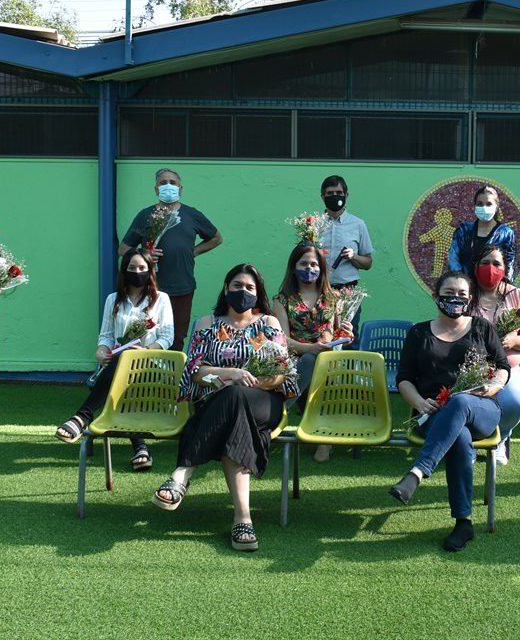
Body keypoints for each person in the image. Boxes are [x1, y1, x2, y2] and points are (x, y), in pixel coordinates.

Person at [151, 264, 297, 552]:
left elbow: (284, 375)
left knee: (237, 397)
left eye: (249, 288)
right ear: (226, 289)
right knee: (234, 412)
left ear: (258, 293)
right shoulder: (208, 322)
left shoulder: (269, 323)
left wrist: (250, 382)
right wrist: (231, 375)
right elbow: (194, 370)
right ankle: (243, 518)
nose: (243, 292)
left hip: (263, 400)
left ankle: (183, 473)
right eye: (237, 286)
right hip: (218, 401)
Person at [390, 271, 511, 552]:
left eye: (462, 295)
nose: (455, 299)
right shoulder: (418, 333)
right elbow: (404, 379)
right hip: (432, 414)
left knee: (459, 403)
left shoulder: (482, 328)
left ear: (470, 299)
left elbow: (503, 367)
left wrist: (493, 386)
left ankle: (417, 473)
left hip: (482, 409)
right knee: (458, 438)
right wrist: (419, 403)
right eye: (449, 293)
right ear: (435, 296)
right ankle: (463, 523)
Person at [54, 249, 174, 471]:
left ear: (150, 272)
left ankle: (82, 417)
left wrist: (145, 351)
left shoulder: (161, 300)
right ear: (124, 271)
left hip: (152, 364)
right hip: (119, 366)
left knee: (126, 363)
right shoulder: (113, 300)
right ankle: (140, 447)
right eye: (132, 268)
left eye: (142, 268)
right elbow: (106, 336)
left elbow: (167, 337)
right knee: (122, 365)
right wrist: (101, 352)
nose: (137, 272)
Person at [119, 168, 222, 351]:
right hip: (149, 288)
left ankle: (172, 377)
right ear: (156, 189)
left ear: (181, 189)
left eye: (173, 183)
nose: (168, 186)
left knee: (176, 336)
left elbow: (216, 238)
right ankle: (144, 374)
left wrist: (194, 251)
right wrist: (144, 254)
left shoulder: (191, 215)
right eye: (163, 182)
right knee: (145, 335)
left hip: (182, 287)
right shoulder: (146, 215)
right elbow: (123, 249)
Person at [273, 242, 353, 463]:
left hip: (329, 360)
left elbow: (339, 335)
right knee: (309, 360)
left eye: (314, 264)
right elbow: (283, 340)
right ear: (293, 266)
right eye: (303, 263)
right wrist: (311, 348)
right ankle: (323, 438)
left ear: (322, 267)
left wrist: (347, 331)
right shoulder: (281, 300)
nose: (309, 268)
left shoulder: (334, 298)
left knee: (319, 362)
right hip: (296, 359)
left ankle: (277, 411)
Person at [470, 245, 520, 466]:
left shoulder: (516, 296)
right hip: (471, 368)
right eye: (484, 263)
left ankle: (503, 437)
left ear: (505, 268)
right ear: (474, 267)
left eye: (496, 264)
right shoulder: (466, 294)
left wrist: (514, 341)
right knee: (467, 403)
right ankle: (469, 441)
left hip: (506, 369)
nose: (490, 269)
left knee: (515, 403)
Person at [318, 175, 372, 349]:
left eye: (339, 193)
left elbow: (368, 263)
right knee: (320, 337)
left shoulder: (358, 224)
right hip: (320, 290)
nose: (335, 196)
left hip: (348, 292)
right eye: (330, 193)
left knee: (348, 337)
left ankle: (348, 376)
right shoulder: (314, 225)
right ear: (322, 196)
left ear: (346, 195)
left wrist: (354, 256)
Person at [448, 185, 517, 281]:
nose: (484, 207)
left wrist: (505, 285)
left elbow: (509, 263)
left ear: (496, 207)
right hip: (466, 288)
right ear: (475, 206)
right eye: (480, 204)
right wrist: (462, 281)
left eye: (489, 204)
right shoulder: (464, 230)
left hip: (493, 288)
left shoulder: (506, 233)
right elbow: (453, 258)